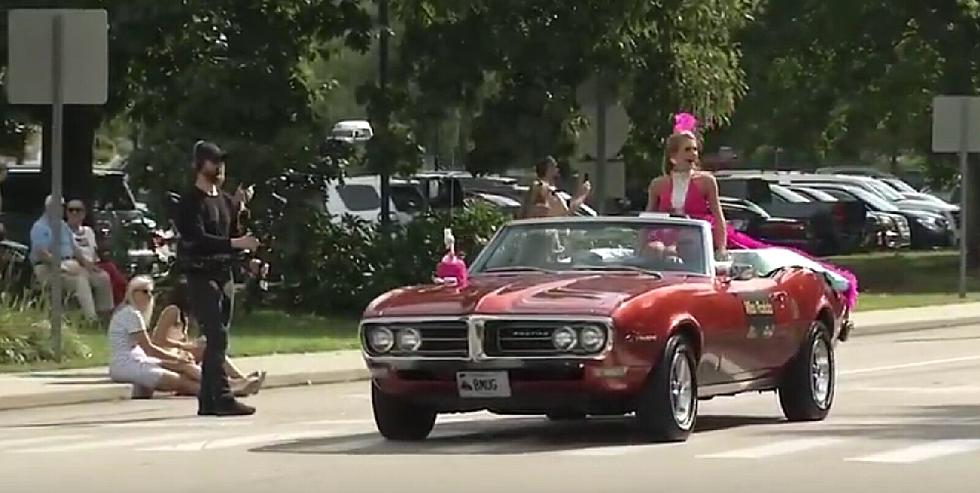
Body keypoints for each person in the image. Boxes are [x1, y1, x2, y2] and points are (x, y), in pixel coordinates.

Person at [646, 112, 859, 312]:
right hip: (670, 235)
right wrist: (643, 244)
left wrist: (720, 248)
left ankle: (834, 279)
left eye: (694, 149)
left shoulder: (705, 181)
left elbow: (719, 216)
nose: (693, 154)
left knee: (768, 255)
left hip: (704, 234)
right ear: (673, 157)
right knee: (659, 254)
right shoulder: (658, 184)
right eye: (687, 150)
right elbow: (649, 219)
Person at [175, 140, 260, 416]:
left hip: (224, 275)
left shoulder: (225, 201)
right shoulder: (189, 202)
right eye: (214, 162)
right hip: (200, 274)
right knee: (217, 336)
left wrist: (249, 261)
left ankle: (207, 401)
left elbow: (235, 235)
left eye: (221, 162)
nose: (220, 168)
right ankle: (222, 398)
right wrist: (236, 244)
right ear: (200, 164)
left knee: (217, 339)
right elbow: (197, 239)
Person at [151, 280, 266, 394]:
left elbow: (180, 340)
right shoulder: (171, 311)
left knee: (209, 348)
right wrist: (184, 347)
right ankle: (233, 383)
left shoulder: (184, 316)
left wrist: (190, 346)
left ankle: (240, 379)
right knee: (200, 354)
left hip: (176, 353)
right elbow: (157, 340)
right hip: (164, 356)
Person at [107, 276, 200, 398]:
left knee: (184, 367)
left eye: (151, 292)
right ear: (133, 293)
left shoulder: (133, 313)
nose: (149, 296)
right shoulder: (130, 314)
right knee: (179, 379)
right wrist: (176, 358)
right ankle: (217, 391)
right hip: (126, 365)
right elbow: (149, 349)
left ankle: (222, 385)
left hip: (139, 361)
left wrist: (177, 360)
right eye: (145, 292)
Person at [29, 195, 115, 321]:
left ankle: (106, 317)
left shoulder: (63, 226)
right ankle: (91, 319)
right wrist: (61, 265)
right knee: (80, 280)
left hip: (72, 264)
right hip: (49, 268)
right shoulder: (40, 227)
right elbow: (42, 254)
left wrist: (88, 265)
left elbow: (75, 249)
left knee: (102, 277)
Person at [65, 198, 128, 306]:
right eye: (71, 210)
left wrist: (94, 263)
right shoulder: (63, 231)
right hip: (77, 265)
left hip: (94, 264)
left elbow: (94, 251)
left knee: (116, 276)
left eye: (78, 210)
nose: (74, 213)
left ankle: (122, 308)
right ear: (66, 213)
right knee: (105, 275)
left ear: (84, 213)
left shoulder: (88, 231)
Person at [519, 156, 591, 219]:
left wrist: (580, 194)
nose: (557, 169)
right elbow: (565, 212)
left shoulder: (552, 190)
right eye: (554, 167)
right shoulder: (541, 187)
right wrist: (582, 194)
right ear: (548, 169)